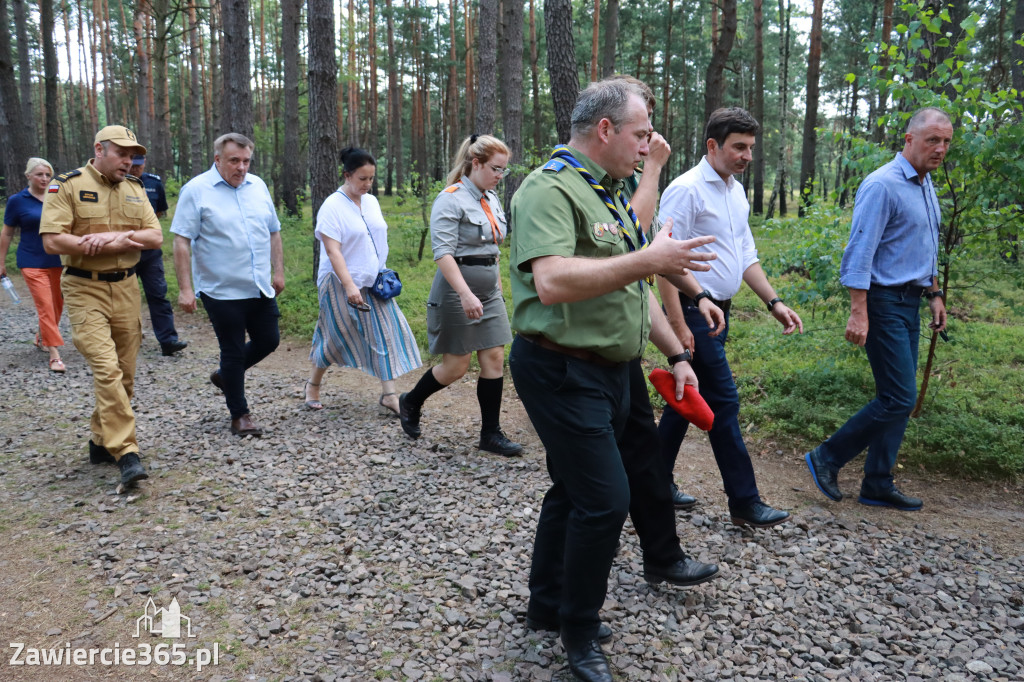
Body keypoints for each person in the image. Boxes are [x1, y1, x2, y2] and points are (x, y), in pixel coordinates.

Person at [508, 79, 720, 682]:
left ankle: (547, 605)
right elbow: (551, 281)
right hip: (560, 368)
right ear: (606, 130)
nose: (649, 142)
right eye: (642, 131)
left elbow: (631, 287)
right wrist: (651, 258)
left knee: (576, 489)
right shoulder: (548, 189)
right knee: (605, 500)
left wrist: (678, 351)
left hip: (614, 368)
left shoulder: (610, 193)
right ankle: (579, 633)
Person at [657, 107, 802, 530]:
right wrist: (679, 327)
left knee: (686, 399)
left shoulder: (734, 190)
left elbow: (745, 257)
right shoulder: (686, 190)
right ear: (713, 146)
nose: (747, 156)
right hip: (691, 311)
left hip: (721, 311)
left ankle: (650, 479)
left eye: (751, 148)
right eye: (739, 147)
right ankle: (745, 500)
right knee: (723, 402)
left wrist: (774, 303)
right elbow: (663, 261)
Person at [804, 107, 951, 512]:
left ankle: (878, 482)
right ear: (909, 139)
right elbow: (859, 252)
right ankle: (827, 457)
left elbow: (927, 249)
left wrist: (934, 293)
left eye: (946, 142)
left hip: (912, 302)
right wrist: (859, 311)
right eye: (932, 140)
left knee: (895, 396)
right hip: (883, 301)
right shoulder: (882, 185)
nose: (940, 149)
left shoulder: (926, 185)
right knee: (901, 396)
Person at [38, 125, 162, 486]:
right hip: (83, 287)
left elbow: (155, 237)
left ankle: (98, 440)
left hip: (126, 288)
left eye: (132, 155)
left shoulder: (136, 189)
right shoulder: (67, 185)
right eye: (122, 154)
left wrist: (111, 237)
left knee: (125, 374)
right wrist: (115, 242)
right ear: (99, 149)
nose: (129, 161)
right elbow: (51, 241)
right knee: (107, 370)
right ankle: (126, 451)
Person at [398, 134, 522, 456]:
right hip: (457, 290)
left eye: (503, 171)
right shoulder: (450, 198)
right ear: (475, 163)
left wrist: (493, 285)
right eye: (495, 169)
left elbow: (492, 248)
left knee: (494, 357)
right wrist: (466, 294)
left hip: (488, 290)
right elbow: (443, 254)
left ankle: (490, 434)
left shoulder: (491, 198)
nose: (499, 176)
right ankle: (411, 401)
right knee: (456, 365)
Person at [171, 133, 284, 437]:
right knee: (232, 351)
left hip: (258, 284)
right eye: (234, 160)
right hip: (220, 289)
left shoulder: (258, 186)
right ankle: (240, 415)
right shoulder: (196, 190)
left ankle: (225, 376)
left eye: (246, 160)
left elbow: (274, 232)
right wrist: (185, 288)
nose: (241, 167)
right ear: (218, 159)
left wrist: (279, 271)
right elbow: (181, 240)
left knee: (269, 340)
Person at [304, 147, 422, 413]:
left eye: (371, 178)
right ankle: (313, 384)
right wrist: (348, 286)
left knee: (385, 333)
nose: (368, 184)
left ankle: (389, 395)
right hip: (339, 282)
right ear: (347, 175)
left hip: (373, 281)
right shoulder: (332, 207)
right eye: (362, 179)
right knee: (334, 336)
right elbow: (333, 251)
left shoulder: (371, 201)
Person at [1, 157, 67, 372]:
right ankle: (54, 354)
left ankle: (42, 337)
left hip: (57, 259)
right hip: (30, 260)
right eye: (39, 174)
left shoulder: (57, 196)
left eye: (48, 174)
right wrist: (1, 261)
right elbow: (7, 232)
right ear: (28, 175)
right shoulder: (17, 200)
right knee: (45, 306)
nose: (45, 178)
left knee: (57, 306)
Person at [128, 154, 188, 356]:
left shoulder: (153, 183)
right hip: (125, 251)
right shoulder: (117, 184)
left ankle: (168, 340)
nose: (135, 169)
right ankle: (126, 338)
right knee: (124, 296)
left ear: (144, 163)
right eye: (132, 165)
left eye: (139, 165)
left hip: (150, 252)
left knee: (158, 294)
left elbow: (160, 212)